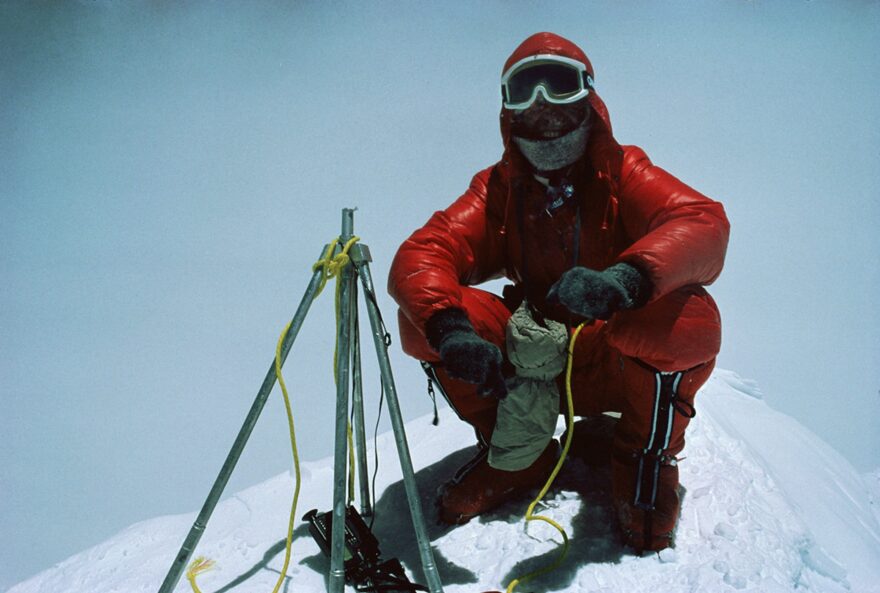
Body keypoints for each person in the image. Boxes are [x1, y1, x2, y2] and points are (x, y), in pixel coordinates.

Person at [387, 32, 728, 553]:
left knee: (688, 320)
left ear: (588, 95)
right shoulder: (499, 187)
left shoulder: (624, 172)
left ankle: (643, 457)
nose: (543, 104)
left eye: (559, 84)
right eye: (525, 88)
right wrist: (451, 331)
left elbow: (701, 222)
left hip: (610, 357)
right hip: (533, 356)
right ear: (507, 109)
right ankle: (516, 455)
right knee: (424, 318)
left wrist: (625, 280)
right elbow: (426, 251)